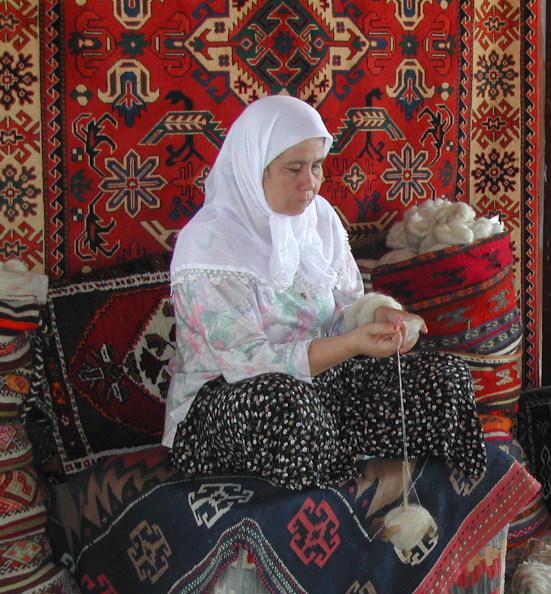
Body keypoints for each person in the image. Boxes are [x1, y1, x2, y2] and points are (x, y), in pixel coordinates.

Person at [163, 94, 486, 489]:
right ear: (253, 169)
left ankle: (339, 451)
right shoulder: (210, 243)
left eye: (316, 166)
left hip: (320, 388)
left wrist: (383, 316)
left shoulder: (319, 220)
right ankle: (338, 461)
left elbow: (345, 306)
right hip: (232, 405)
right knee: (288, 409)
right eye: (294, 169)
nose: (310, 183)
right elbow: (248, 363)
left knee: (444, 378)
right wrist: (351, 345)